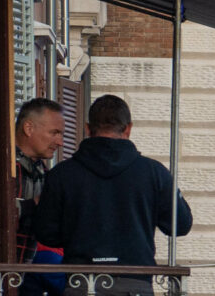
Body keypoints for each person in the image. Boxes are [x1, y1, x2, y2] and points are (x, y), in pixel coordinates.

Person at [25, 91, 193, 276]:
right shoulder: (155, 173)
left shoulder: (61, 174)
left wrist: (78, 234)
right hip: (135, 283)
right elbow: (181, 225)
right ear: (128, 128)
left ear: (87, 129)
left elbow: (46, 233)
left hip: (81, 282)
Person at [12, 95, 62, 259]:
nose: (60, 142)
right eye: (54, 133)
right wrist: (34, 204)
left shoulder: (45, 174)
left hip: (21, 272)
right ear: (28, 128)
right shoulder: (1, 166)